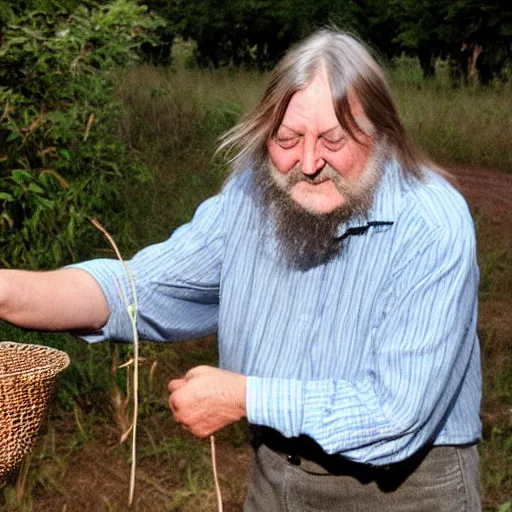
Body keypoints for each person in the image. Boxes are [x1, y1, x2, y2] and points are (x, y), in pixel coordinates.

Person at [0, 29, 481, 511]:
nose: (309, 163)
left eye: (334, 141)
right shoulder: (253, 196)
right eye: (287, 139)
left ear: (381, 134)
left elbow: (395, 417)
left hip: (405, 492)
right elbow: (137, 289)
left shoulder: (430, 225)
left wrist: (243, 396)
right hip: (277, 480)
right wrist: (6, 291)